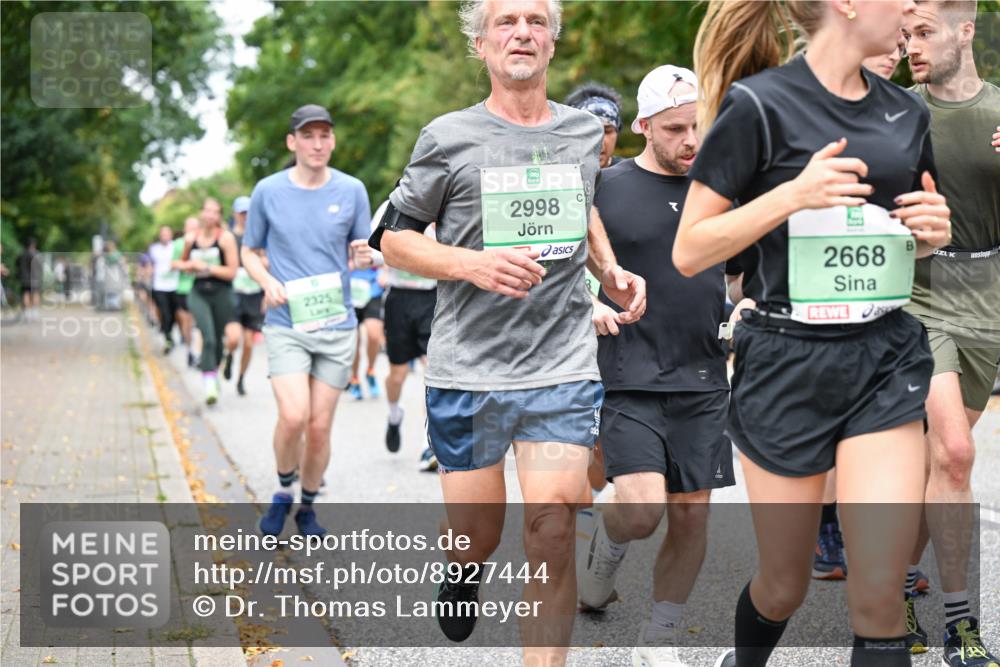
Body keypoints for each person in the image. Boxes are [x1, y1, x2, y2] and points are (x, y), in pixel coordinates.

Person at [676, 1, 953, 665]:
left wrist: (931, 233)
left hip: (883, 358)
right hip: (785, 362)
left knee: (881, 590)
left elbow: (910, 235)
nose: (914, 6)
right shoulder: (759, 107)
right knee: (784, 582)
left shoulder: (907, 112)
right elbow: (690, 249)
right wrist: (793, 195)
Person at [371, 1, 646, 662]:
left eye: (535, 20)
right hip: (469, 369)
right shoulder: (447, 137)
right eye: (505, 21)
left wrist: (608, 270)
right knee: (478, 534)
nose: (521, 31)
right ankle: (465, 565)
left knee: (552, 526)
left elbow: (578, 209)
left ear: (552, 42)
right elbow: (392, 239)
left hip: (562, 362)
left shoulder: (583, 133)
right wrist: (472, 263)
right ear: (482, 44)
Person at [575, 65, 737, 667]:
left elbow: (744, 268)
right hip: (628, 371)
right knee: (641, 509)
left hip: (702, 376)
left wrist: (747, 305)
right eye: (675, 129)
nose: (690, 140)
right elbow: (569, 262)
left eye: (698, 126)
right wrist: (589, 300)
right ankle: (606, 550)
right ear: (643, 126)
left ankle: (658, 641)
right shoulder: (605, 188)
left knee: (692, 515)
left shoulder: (718, 190)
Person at [900, 2, 1000, 663]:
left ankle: (897, 585)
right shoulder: (896, 112)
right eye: (905, 34)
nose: (912, 45)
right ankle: (961, 625)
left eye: (925, 32)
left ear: (965, 32)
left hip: (988, 302)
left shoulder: (999, 114)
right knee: (957, 453)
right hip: (919, 293)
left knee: (937, 465)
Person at [242, 104, 373, 538]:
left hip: (336, 324)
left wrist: (363, 256)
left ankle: (309, 505)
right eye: (308, 136)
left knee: (319, 427)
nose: (318, 144)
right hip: (286, 321)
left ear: (333, 141)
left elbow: (360, 250)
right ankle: (282, 492)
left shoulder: (352, 190)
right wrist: (266, 280)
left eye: (325, 136)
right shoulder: (267, 191)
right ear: (292, 142)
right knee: (294, 416)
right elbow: (248, 250)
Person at [811, 30, 913, 585]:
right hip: (825, 282)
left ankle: (889, 551)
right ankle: (829, 531)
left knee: (894, 430)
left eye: (905, 38)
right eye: (890, 37)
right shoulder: (811, 104)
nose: (897, 47)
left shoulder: (909, 110)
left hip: (896, 284)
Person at [370, 199, 439, 469]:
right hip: (400, 298)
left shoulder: (446, 203)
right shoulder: (394, 202)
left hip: (433, 298)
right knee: (397, 374)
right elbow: (373, 248)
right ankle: (394, 413)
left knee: (433, 370)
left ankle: (428, 443)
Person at [178, 198, 240, 405]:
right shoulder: (190, 238)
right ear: (201, 213)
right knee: (208, 336)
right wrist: (188, 266)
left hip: (221, 293)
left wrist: (207, 267)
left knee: (219, 339)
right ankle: (209, 384)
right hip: (198, 292)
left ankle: (213, 372)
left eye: (215, 212)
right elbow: (179, 262)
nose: (210, 215)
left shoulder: (226, 239)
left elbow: (232, 272)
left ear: (219, 216)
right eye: (207, 211)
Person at [230, 195, 266, 396]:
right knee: (234, 339)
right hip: (233, 294)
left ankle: (241, 377)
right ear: (235, 214)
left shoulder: (259, 237)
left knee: (249, 343)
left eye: (248, 213)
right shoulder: (228, 237)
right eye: (242, 213)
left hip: (253, 295)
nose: (245, 216)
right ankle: (227, 356)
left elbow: (269, 262)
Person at [346, 264, 385, 400]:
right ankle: (355, 378)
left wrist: (385, 271)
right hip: (349, 290)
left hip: (372, 289)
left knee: (374, 334)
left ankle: (370, 370)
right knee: (354, 339)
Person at [564, 82, 624, 168]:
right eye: (590, 131)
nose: (599, 142)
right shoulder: (559, 174)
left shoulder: (630, 176)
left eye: (607, 132)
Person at [171, 217, 200, 367]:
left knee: (199, 321)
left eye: (195, 227)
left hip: (200, 287)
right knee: (188, 322)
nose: (193, 230)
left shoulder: (203, 242)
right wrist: (188, 265)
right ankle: (191, 351)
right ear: (185, 228)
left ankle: (199, 352)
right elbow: (173, 264)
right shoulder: (178, 244)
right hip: (183, 288)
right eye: (190, 227)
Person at [149, 225, 182, 354]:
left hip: (174, 286)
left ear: (171, 235)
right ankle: (168, 339)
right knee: (165, 313)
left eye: (167, 233)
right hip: (159, 286)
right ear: (160, 235)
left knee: (174, 314)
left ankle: (171, 332)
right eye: (163, 233)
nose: (165, 236)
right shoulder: (154, 249)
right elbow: (150, 265)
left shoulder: (176, 246)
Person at [16, 237, 41, 321]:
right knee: (35, 293)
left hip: (23, 278)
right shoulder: (34, 254)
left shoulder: (21, 254)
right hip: (33, 277)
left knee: (25, 293)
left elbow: (17, 265)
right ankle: (34, 311)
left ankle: (26, 312)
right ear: (33, 244)